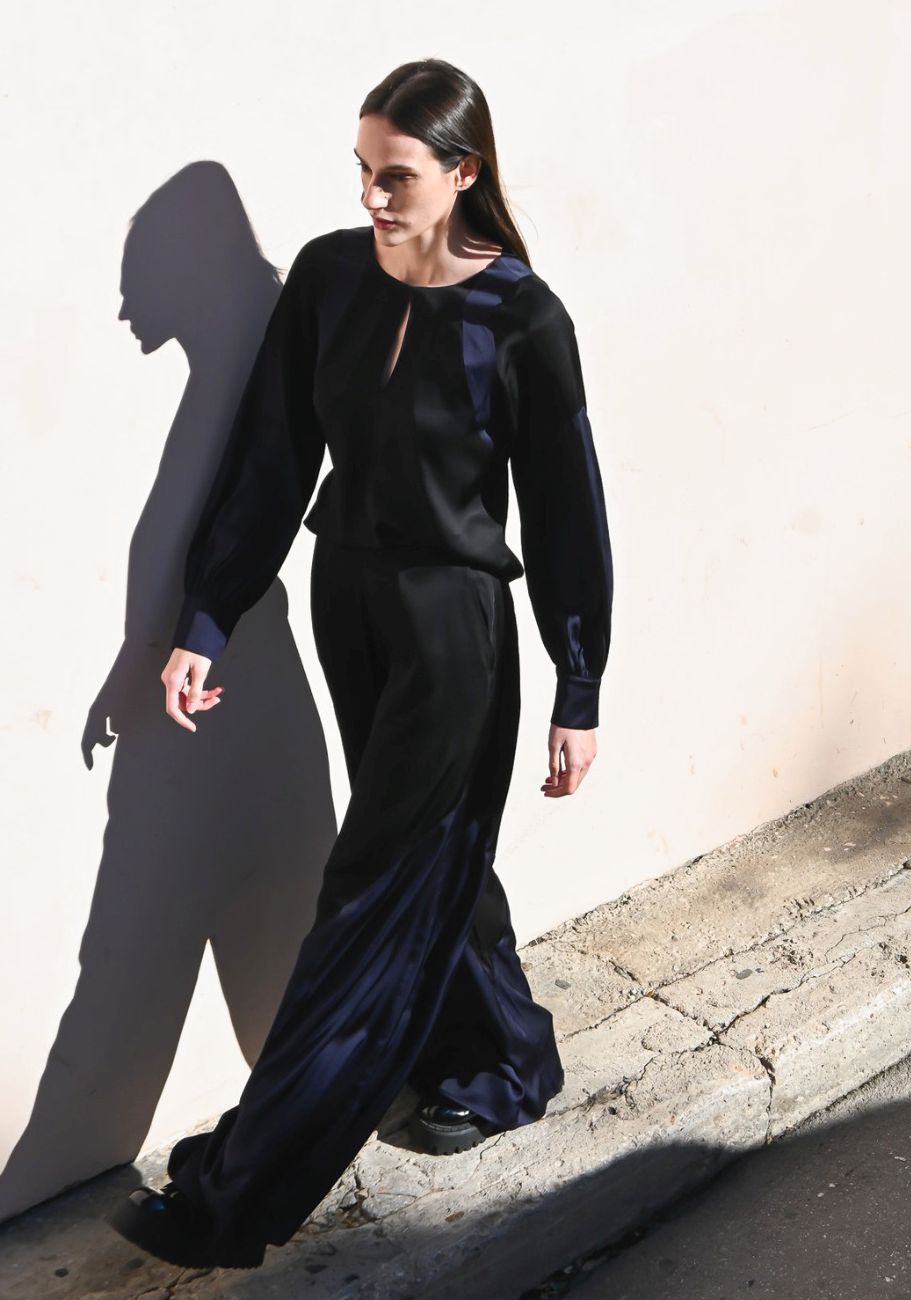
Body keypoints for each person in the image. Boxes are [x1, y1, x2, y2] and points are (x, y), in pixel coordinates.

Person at [107, 56, 613, 1270]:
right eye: (363, 173)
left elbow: (568, 513)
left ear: (463, 172)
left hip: (453, 635)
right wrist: (207, 619)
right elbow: (274, 455)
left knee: (368, 896)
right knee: (435, 860)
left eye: (397, 177)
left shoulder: (524, 319)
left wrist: (577, 685)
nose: (373, 198)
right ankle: (505, 1058)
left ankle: (236, 1194)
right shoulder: (329, 278)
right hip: (349, 604)